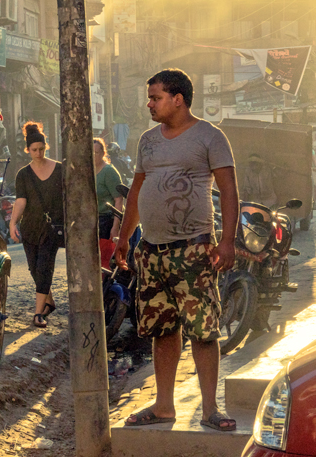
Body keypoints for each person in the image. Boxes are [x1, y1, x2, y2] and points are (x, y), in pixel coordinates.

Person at [114, 69, 239, 432]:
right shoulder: (148, 140)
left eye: (155, 98)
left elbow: (229, 191)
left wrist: (227, 240)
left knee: (203, 331)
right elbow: (137, 191)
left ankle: (211, 409)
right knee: (162, 329)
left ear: (178, 99)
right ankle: (164, 406)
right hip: (151, 252)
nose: (149, 104)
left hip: (193, 251)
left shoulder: (210, 136)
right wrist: (125, 236)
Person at [9, 122, 63, 328]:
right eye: (34, 150)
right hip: (30, 227)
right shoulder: (23, 174)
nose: (38, 153)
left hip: (52, 228)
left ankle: (38, 313)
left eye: (41, 149)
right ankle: (49, 301)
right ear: (28, 150)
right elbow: (21, 200)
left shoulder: (59, 169)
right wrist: (13, 222)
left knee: (44, 268)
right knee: (34, 269)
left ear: (45, 147)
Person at [94, 138, 124, 240]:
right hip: (91, 220)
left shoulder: (109, 171)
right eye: (91, 152)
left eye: (96, 152)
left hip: (106, 220)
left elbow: (119, 200)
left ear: (103, 153)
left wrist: (115, 227)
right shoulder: (87, 171)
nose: (93, 155)